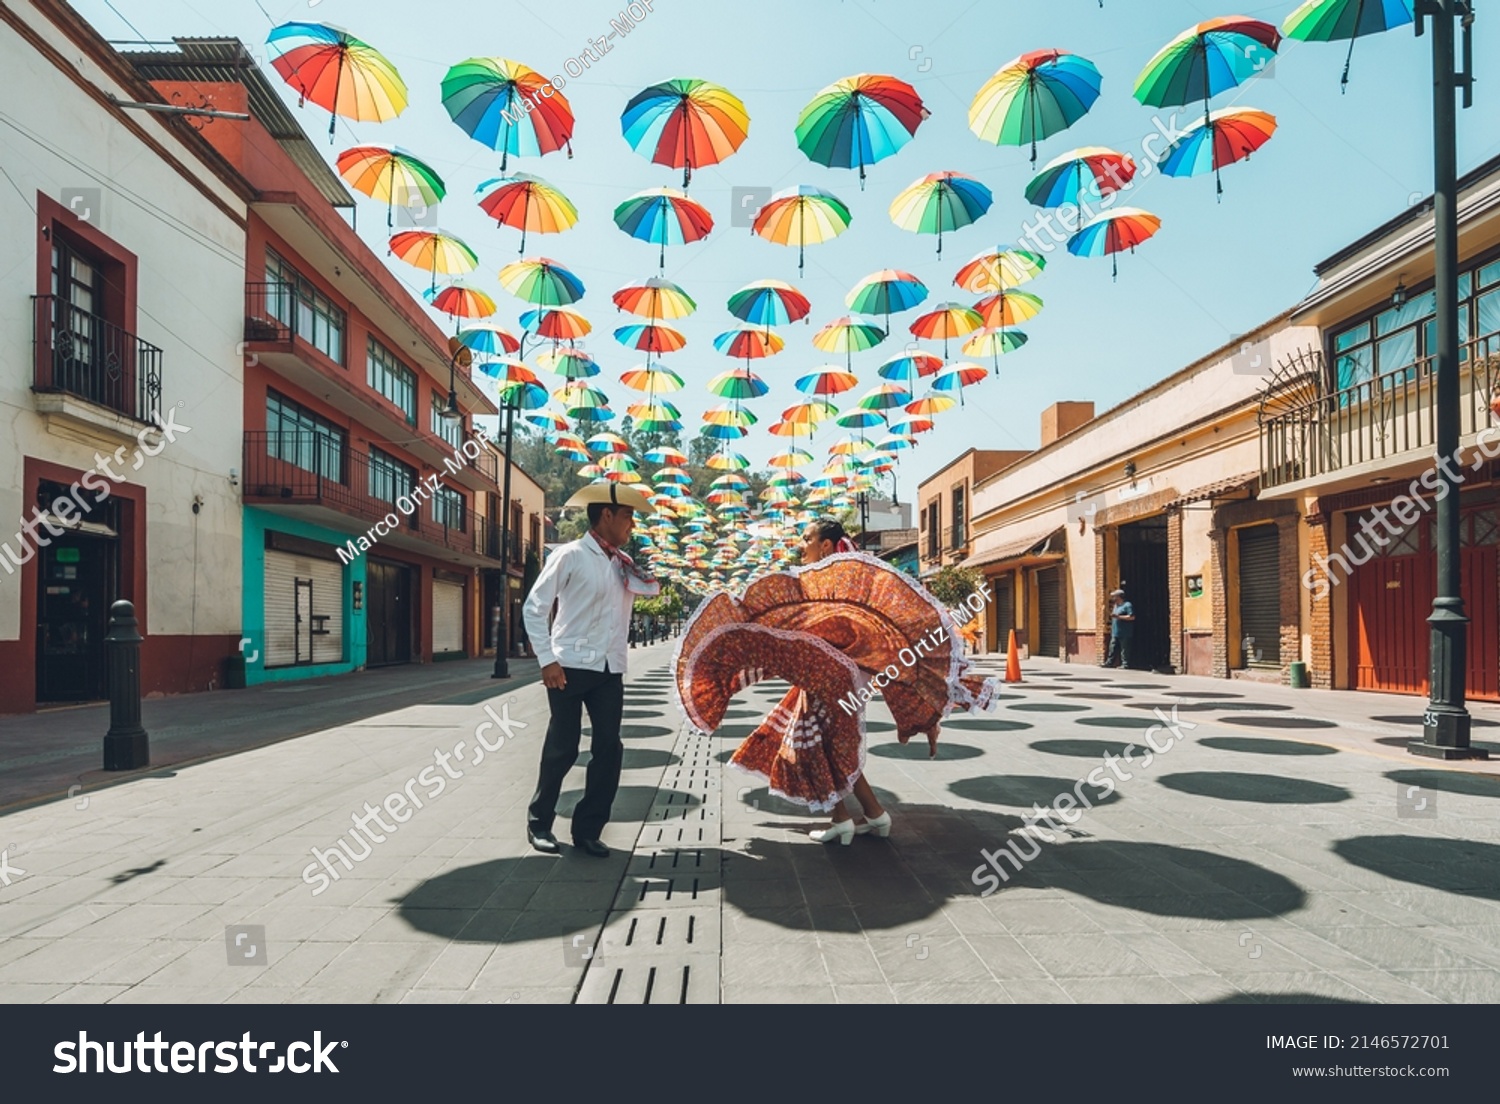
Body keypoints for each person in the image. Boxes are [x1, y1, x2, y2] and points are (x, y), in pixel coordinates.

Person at [674, 517, 999, 846]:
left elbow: (848, 634)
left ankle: (846, 818)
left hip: (833, 677)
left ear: (825, 545)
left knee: (816, 744)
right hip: (833, 677)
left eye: (807, 539)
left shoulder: (835, 581)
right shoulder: (836, 582)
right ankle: (870, 814)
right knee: (823, 743)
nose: (803, 546)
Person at [523, 482, 658, 858]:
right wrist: (546, 660)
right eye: (628, 516)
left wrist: (637, 571)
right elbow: (535, 608)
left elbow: (650, 593)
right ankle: (539, 823)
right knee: (562, 748)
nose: (632, 524)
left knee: (609, 750)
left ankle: (588, 829)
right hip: (567, 666)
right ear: (607, 515)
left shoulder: (622, 565)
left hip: (609, 667)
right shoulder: (570, 555)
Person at [1102, 587, 1135, 669]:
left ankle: (1125, 664)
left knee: (1125, 649)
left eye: (1114, 596)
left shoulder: (1127, 605)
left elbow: (1132, 617)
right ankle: (1109, 663)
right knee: (1112, 647)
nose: (1113, 598)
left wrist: (1118, 617)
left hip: (1125, 632)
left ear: (1119, 596)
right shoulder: (1116, 606)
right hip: (1115, 631)